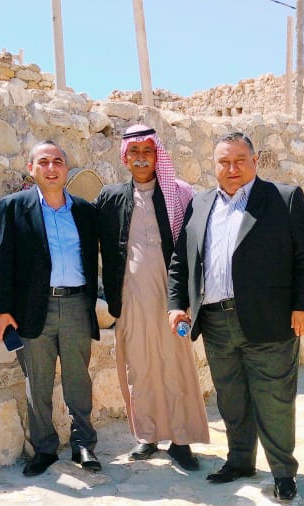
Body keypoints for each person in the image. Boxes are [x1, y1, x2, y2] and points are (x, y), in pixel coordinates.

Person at [167, 131, 304, 502]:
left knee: (274, 401)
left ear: (255, 161)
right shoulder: (201, 203)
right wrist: (176, 304)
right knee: (231, 397)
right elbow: (181, 259)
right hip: (215, 321)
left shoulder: (283, 198)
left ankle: (283, 473)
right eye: (224, 161)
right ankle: (240, 461)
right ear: (215, 165)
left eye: (239, 160)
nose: (232, 168)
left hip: (270, 321)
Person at [94, 124, 209, 471]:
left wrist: (187, 297)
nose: (141, 158)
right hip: (130, 297)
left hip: (171, 298)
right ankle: (146, 436)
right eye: (135, 152)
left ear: (158, 155)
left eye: (148, 151)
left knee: (176, 365)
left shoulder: (179, 194)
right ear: (125, 157)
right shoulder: (111, 198)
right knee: (139, 366)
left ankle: (181, 439)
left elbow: (191, 246)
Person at [0, 140, 102, 477]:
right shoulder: (13, 207)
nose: (51, 168)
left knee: (78, 379)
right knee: (37, 383)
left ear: (66, 169)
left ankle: (83, 444)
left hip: (76, 306)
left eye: (57, 161)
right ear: (31, 169)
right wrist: (2, 310)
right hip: (33, 309)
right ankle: (44, 449)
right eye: (43, 162)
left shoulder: (84, 211)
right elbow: (2, 261)